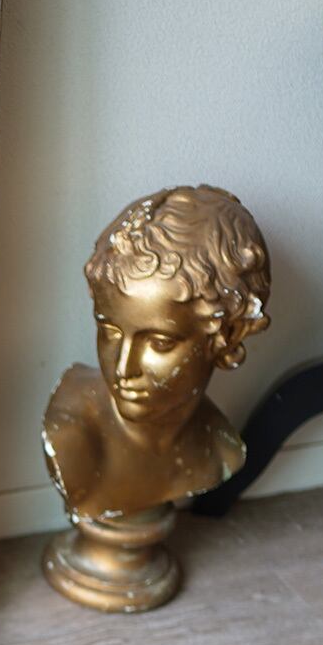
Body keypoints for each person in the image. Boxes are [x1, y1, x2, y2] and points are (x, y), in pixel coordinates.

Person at [42, 184, 271, 520]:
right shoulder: (70, 439)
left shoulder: (220, 450)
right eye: (110, 331)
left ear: (228, 335)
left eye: (160, 343)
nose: (124, 368)